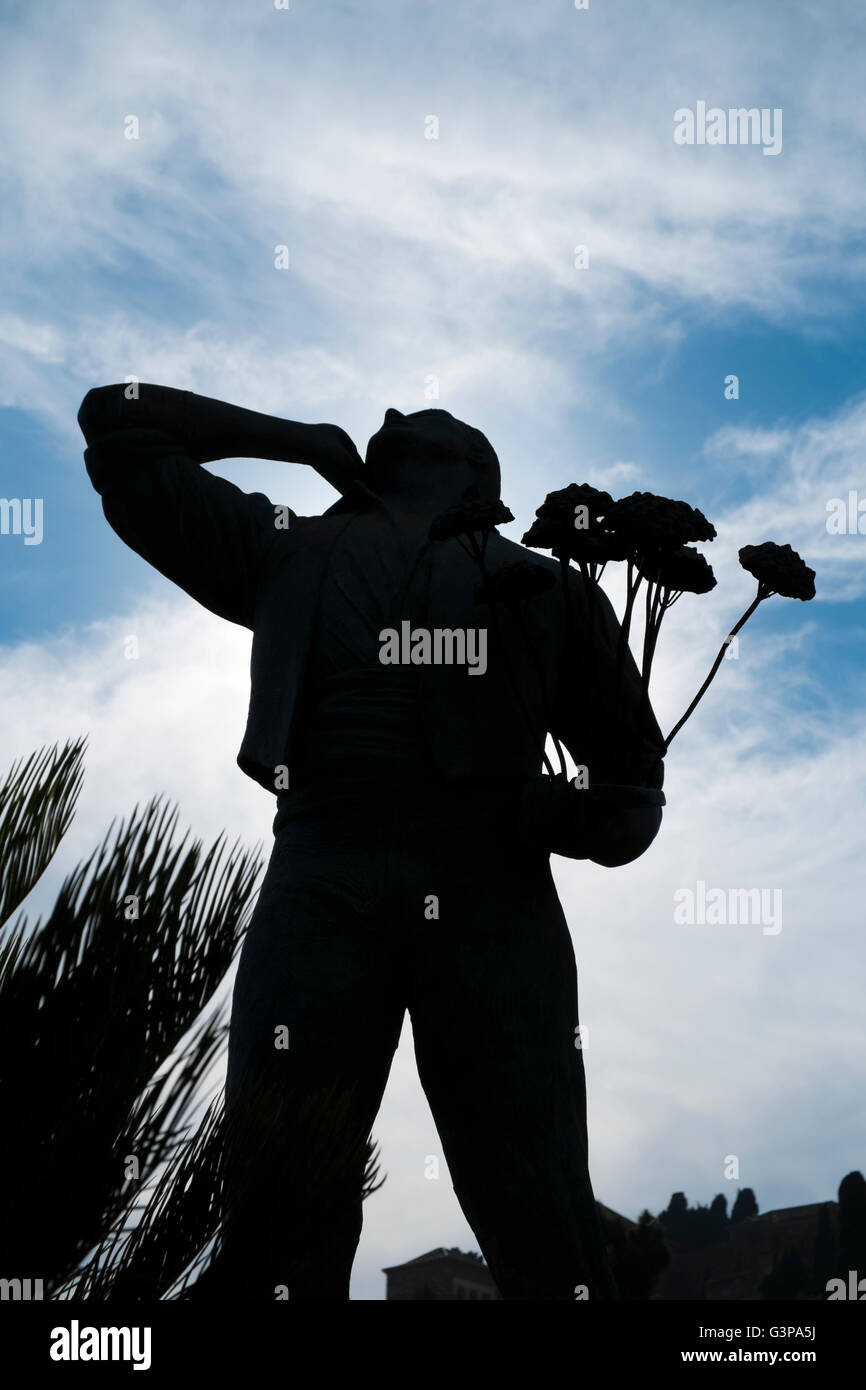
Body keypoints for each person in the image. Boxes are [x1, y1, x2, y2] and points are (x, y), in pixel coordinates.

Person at [79, 383, 665, 1300]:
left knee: (537, 1201)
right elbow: (116, 426)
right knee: (278, 1208)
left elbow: (634, 786)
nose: (393, 413)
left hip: (490, 886)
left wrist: (580, 817)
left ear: (479, 467)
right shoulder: (287, 547)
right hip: (320, 872)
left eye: (428, 421)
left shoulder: (548, 587)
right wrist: (293, 439)